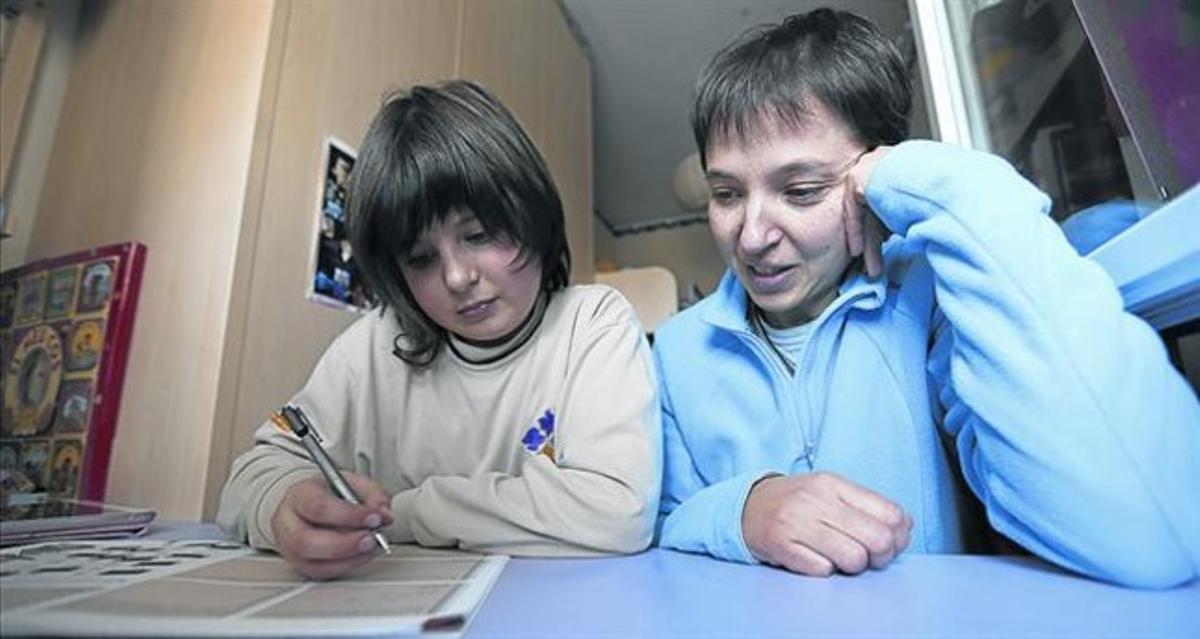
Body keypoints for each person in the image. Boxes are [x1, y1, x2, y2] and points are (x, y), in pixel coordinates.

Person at [652, 8, 1200, 588]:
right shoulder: (678, 349)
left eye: (802, 190)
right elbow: (655, 527)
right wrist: (745, 511)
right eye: (726, 193)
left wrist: (930, 188)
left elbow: (1148, 536)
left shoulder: (933, 304)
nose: (753, 235)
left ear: (869, 180)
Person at [218, 80, 660, 580]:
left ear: (533, 215)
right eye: (421, 258)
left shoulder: (592, 323)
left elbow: (618, 511)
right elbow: (246, 481)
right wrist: (288, 505)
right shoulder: (376, 344)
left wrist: (410, 512)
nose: (456, 278)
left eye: (478, 235)